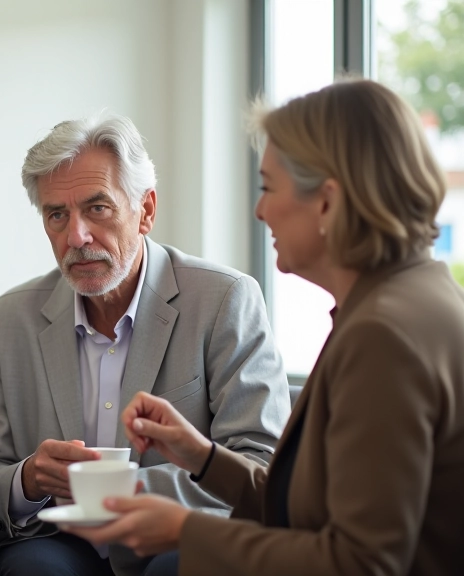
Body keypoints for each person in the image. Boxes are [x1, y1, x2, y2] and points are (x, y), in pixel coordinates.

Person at [63, 79, 464, 576]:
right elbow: (307, 510)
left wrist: (184, 530)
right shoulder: (410, 299)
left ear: (327, 202)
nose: (260, 211)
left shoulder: (385, 335)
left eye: (268, 188)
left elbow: (363, 562)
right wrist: (203, 456)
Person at [0, 113, 290, 576]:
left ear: (147, 210)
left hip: (177, 536)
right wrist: (28, 480)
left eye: (98, 208)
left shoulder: (225, 300)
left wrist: (125, 492)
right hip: (59, 543)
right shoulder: (4, 321)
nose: (77, 237)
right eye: (57, 215)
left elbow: (261, 463)